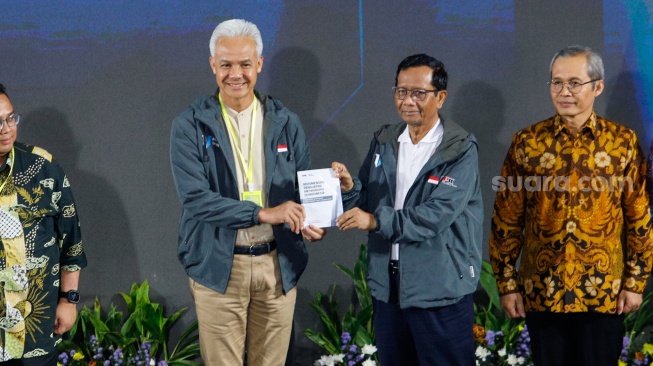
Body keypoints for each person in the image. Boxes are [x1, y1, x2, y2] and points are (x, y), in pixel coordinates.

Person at [169, 19, 325, 366]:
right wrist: (262, 213)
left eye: (244, 64)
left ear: (259, 64)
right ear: (212, 65)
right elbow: (195, 199)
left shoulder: (287, 121)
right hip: (221, 266)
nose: (235, 74)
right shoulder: (190, 124)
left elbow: (303, 191)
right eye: (225, 64)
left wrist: (314, 220)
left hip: (276, 265)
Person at [490, 45, 653, 366]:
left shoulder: (622, 142)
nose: (564, 91)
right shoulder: (528, 142)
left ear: (598, 86)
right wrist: (508, 284)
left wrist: (635, 283)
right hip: (543, 290)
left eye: (574, 83)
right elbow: (506, 221)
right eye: (556, 82)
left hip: (603, 292)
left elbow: (639, 218)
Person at [332, 54, 483, 366]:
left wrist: (375, 221)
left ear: (440, 97)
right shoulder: (385, 139)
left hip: (439, 287)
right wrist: (349, 188)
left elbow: (436, 215)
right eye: (401, 91)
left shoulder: (459, 148)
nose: (408, 101)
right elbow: (366, 197)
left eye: (419, 93)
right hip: (391, 288)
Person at [0, 84, 86, 366]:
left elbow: (71, 242)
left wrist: (69, 299)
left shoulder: (43, 167)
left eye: (11, 118)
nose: (7, 128)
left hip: (35, 333)